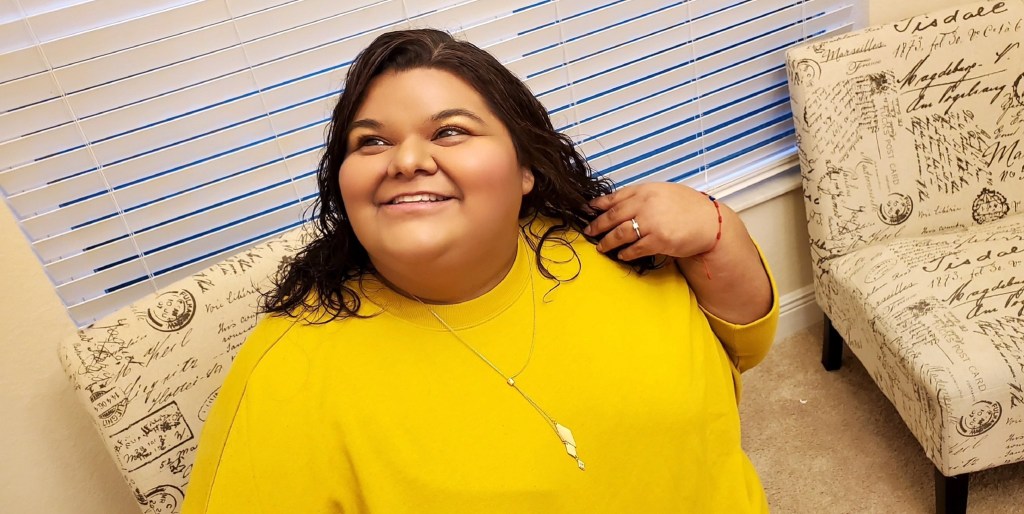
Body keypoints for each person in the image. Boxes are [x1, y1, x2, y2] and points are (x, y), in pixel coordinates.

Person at [182, 28, 777, 514]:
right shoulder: (286, 377)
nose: (408, 160)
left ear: (525, 167)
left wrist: (716, 226)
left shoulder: (606, 244)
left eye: (449, 132)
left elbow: (745, 342)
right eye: (370, 143)